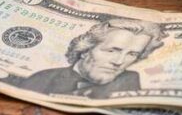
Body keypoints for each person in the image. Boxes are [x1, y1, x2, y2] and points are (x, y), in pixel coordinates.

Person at [15, 18, 166, 98]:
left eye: (132, 54)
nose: (119, 62)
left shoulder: (130, 80)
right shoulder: (41, 79)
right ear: (86, 49)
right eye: (112, 50)